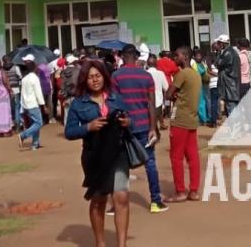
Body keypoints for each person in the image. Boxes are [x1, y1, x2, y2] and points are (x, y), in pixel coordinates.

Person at [65, 59, 132, 247]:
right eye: (90, 77)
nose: (94, 80)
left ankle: (122, 244)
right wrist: (88, 127)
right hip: (94, 156)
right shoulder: (79, 103)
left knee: (122, 196)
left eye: (98, 76)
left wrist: (128, 122)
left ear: (104, 77)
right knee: (98, 199)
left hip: (118, 153)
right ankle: (100, 243)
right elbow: (69, 132)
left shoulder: (115, 98)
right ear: (84, 81)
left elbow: (130, 120)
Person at [112, 45, 167, 213]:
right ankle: (156, 201)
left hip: (123, 125)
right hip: (144, 125)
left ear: (122, 57)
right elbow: (151, 104)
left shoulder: (116, 76)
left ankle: (116, 205)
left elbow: (113, 103)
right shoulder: (146, 76)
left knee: (120, 165)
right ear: (136, 57)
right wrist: (153, 127)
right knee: (150, 163)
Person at [165, 46, 201, 203]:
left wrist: (173, 95)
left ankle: (180, 191)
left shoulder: (182, 74)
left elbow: (168, 93)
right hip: (191, 120)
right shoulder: (195, 74)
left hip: (179, 119)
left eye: (177, 55)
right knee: (192, 156)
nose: (175, 57)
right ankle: (193, 191)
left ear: (185, 57)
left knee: (176, 157)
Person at [18, 56, 46, 150]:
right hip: (33, 104)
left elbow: (22, 94)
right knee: (39, 123)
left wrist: (22, 106)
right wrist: (43, 104)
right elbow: (38, 93)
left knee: (35, 123)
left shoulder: (24, 79)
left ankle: (35, 143)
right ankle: (23, 135)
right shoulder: (34, 78)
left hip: (26, 104)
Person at [214, 35, 239, 119]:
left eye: (219, 43)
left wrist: (217, 53)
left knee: (231, 108)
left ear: (223, 44)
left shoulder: (228, 53)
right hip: (231, 84)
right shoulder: (231, 52)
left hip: (229, 85)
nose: (217, 45)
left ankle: (234, 129)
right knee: (231, 107)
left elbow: (218, 64)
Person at [236, 38, 251, 134]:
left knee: (239, 107)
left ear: (240, 46)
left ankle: (241, 128)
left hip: (240, 84)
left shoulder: (239, 57)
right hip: (249, 83)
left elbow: (236, 71)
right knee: (249, 107)